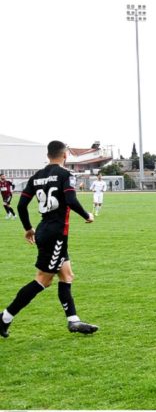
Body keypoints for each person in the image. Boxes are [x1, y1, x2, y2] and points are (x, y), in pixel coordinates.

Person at [1, 141, 98, 338]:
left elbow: (21, 206)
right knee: (43, 280)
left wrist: (28, 228)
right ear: (65, 156)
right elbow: (70, 200)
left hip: (45, 230)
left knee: (67, 275)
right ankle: (4, 318)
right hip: (56, 234)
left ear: (48, 155)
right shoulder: (65, 175)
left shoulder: (37, 176)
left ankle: (73, 321)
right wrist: (87, 215)